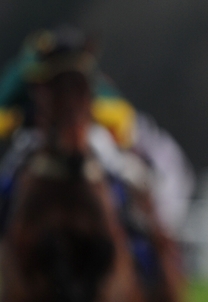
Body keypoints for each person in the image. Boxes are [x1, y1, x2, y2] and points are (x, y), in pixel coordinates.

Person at [0, 25, 195, 239]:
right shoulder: (29, 77)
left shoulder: (90, 80)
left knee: (125, 175)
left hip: (90, 136)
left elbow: (123, 120)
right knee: (11, 173)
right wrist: (21, 119)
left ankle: (139, 230)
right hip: (37, 136)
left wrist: (91, 118)